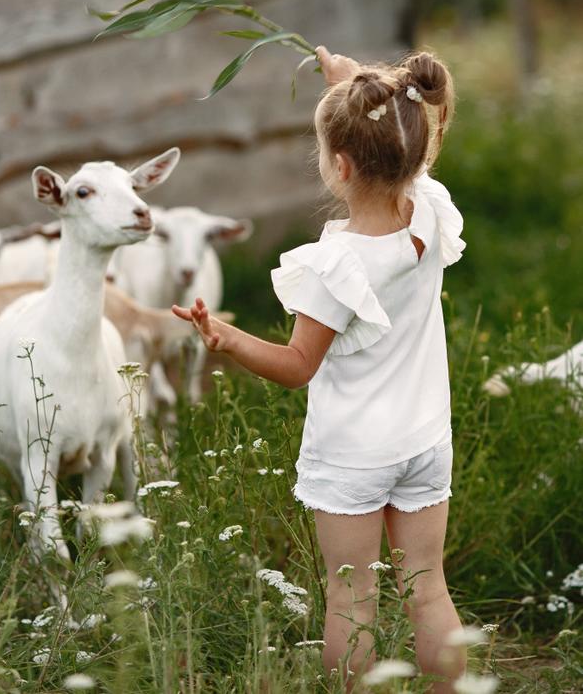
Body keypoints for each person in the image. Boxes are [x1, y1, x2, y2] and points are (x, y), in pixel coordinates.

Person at [173, 46, 466, 692]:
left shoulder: (340, 267)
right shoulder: (431, 210)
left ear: (339, 167)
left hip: (356, 456)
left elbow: (297, 366)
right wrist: (362, 90)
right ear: (415, 151)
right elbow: (409, 149)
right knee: (428, 590)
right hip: (423, 442)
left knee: (352, 602)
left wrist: (225, 338)